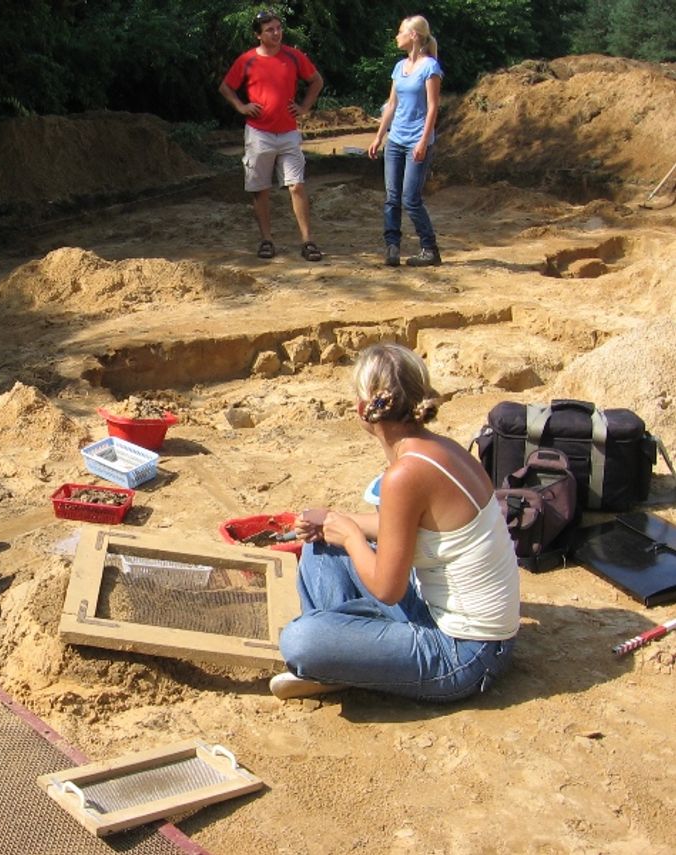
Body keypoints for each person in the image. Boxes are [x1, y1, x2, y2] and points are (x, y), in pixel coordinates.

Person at [272, 343, 519, 702]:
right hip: (473, 633)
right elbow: (399, 528)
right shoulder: (441, 449)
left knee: (299, 640)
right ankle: (356, 657)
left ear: (362, 409)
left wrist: (352, 535)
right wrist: (332, 522)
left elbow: (388, 589)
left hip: (465, 655)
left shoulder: (405, 474)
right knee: (321, 544)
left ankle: (343, 659)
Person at [219, 9, 324, 262]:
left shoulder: (294, 56)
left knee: (297, 185)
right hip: (259, 133)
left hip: (288, 132)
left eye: (278, 28)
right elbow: (225, 87)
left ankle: (307, 241)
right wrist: (241, 106)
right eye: (270, 30)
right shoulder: (247, 60)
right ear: (259, 35)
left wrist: (304, 107)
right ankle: (266, 240)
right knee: (260, 188)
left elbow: (316, 81)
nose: (276, 33)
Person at [367, 16, 444, 267]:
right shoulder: (399, 67)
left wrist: (423, 142)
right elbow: (392, 105)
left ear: (414, 35)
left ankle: (430, 248)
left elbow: (433, 108)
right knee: (391, 197)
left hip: (416, 141)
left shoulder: (430, 67)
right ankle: (392, 247)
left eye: (400, 31)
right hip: (396, 140)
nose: (396, 36)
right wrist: (379, 136)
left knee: (410, 198)